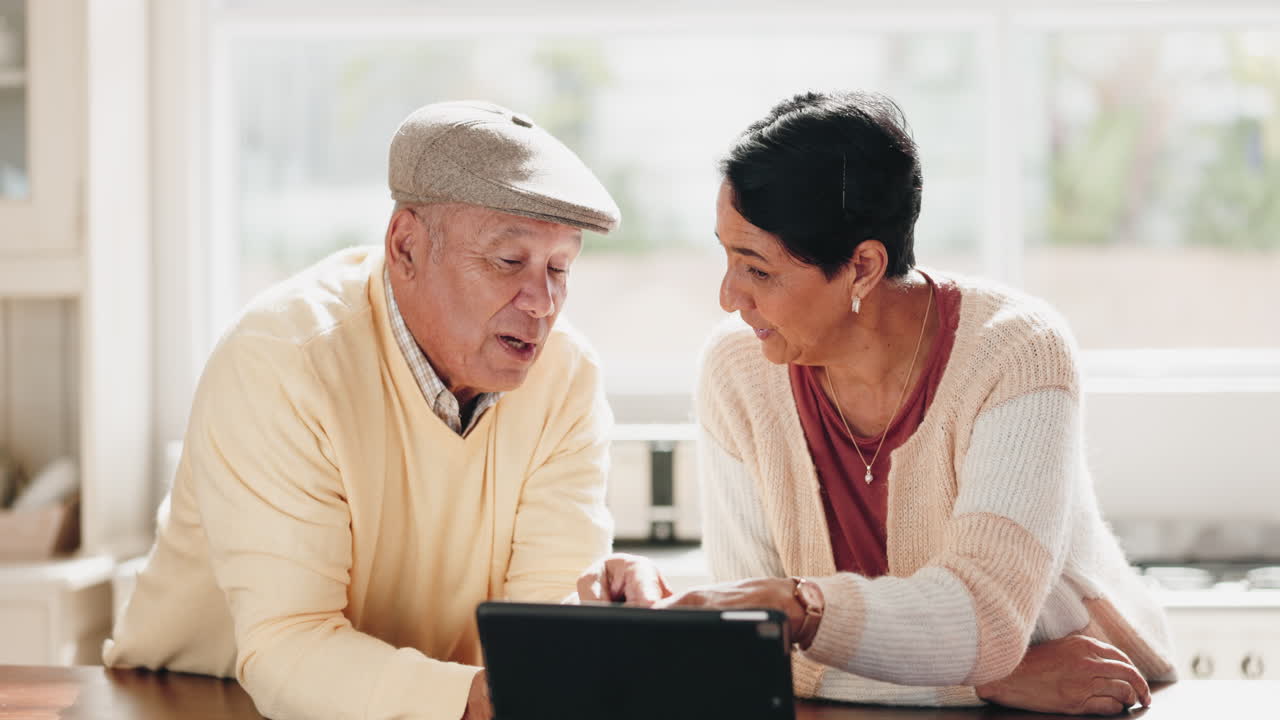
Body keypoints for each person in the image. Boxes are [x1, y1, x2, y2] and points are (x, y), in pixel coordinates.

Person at [581, 91, 1177, 715]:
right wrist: (981, 680)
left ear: (863, 266)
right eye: (726, 257)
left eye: (757, 269)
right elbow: (759, 655)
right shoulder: (738, 369)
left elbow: (987, 620)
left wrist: (800, 609)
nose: (729, 296)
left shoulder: (1016, 352)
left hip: (1092, 691)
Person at [104, 100, 622, 720]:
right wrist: (505, 694)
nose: (541, 302)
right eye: (509, 261)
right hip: (200, 699)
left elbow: (542, 627)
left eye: (560, 268)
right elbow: (286, 647)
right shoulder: (284, 358)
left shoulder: (565, 375)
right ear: (405, 245)